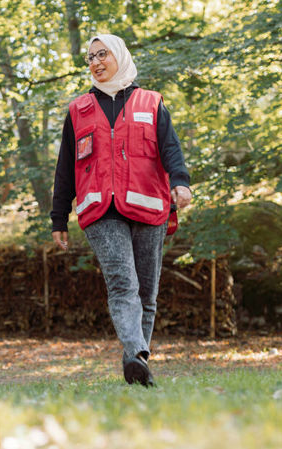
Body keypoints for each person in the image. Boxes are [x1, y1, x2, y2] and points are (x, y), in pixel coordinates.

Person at [50, 34, 192, 387]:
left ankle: (135, 362)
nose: (96, 62)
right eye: (90, 57)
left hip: (149, 204)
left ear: (120, 55)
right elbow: (65, 166)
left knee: (147, 292)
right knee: (123, 282)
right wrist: (58, 217)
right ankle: (138, 352)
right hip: (101, 210)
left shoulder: (151, 103)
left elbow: (171, 149)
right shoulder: (78, 109)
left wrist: (181, 181)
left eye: (103, 54)